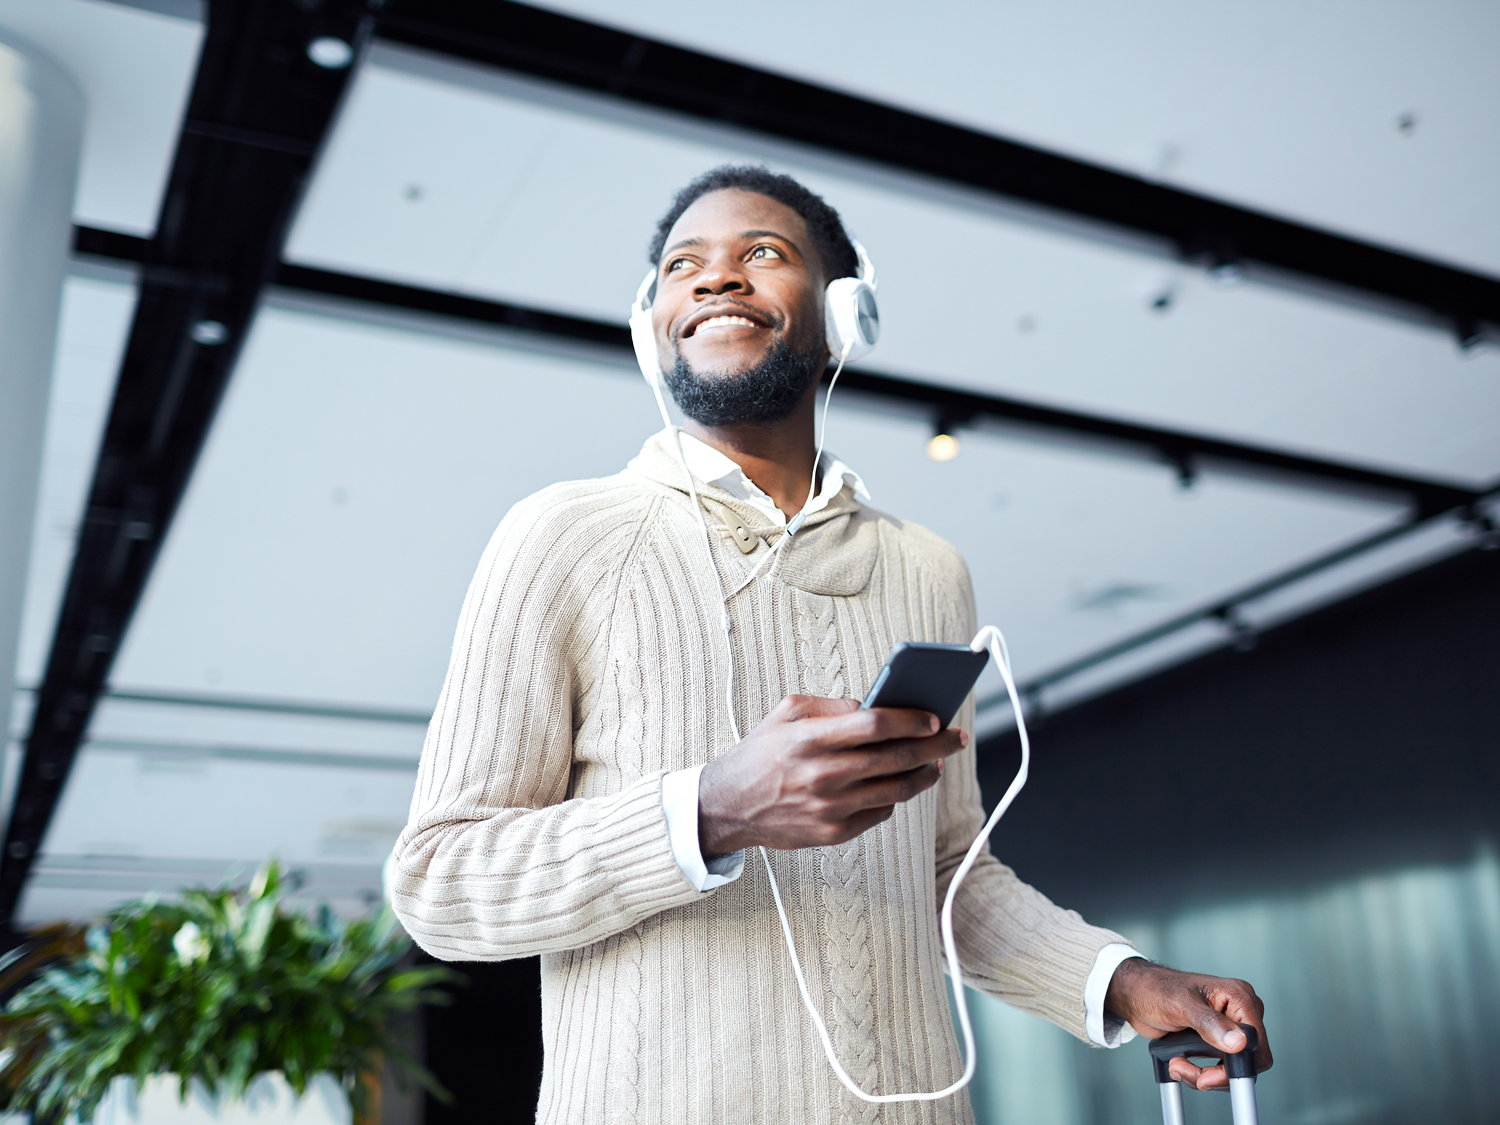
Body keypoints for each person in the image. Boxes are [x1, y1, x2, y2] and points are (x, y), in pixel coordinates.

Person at [391, 165, 1271, 1124]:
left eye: (761, 254)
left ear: (844, 315)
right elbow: (440, 880)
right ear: (653, 326)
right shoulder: (562, 536)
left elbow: (943, 873)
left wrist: (1121, 980)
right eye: (684, 265)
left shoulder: (927, 570)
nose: (716, 278)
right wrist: (712, 810)